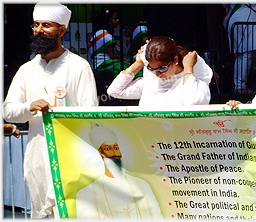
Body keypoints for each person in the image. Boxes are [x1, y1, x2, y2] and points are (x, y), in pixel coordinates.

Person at [3, 2, 98, 218]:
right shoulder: (26, 70)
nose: (38, 31)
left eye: (46, 25)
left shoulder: (79, 66)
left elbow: (90, 114)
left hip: (72, 158)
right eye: (36, 25)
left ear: (62, 30)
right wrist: (29, 106)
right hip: (37, 155)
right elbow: (8, 111)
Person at [77, 122, 162, 219]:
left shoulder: (142, 185)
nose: (115, 153)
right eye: (108, 148)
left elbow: (157, 217)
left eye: (116, 148)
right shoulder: (87, 193)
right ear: (101, 152)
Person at [107, 36, 212, 106]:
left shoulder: (192, 81)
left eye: (162, 68)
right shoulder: (152, 81)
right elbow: (114, 91)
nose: (157, 74)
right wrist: (139, 63)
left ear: (175, 60)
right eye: (151, 68)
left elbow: (194, 103)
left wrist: (188, 70)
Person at [88, 8, 131, 105]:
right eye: (115, 18)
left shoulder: (98, 33)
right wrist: (127, 61)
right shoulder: (105, 34)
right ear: (108, 20)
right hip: (104, 64)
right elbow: (113, 55)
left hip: (98, 64)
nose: (117, 21)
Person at [223, 4, 256, 94]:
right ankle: (240, 87)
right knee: (246, 53)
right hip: (243, 17)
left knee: (242, 54)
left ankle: (239, 86)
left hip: (238, 16)